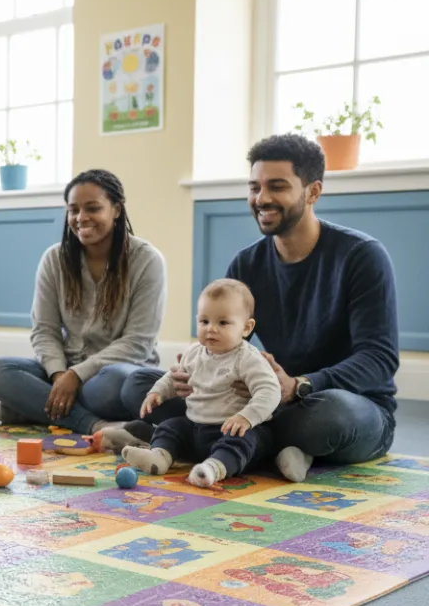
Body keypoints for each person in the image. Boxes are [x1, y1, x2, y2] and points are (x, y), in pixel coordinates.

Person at [123, 134, 399, 481]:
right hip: (267, 400)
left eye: (277, 186)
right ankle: (265, 447)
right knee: (140, 385)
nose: (261, 198)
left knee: (331, 417)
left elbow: (379, 359)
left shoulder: (362, 256)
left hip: (345, 405)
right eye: (254, 187)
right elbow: (230, 345)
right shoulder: (246, 264)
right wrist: (194, 376)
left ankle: (186, 439)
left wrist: (300, 385)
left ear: (313, 192)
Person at [0, 169, 166, 435]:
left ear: (116, 210)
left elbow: (138, 343)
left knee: (115, 385)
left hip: (115, 373)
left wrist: (76, 376)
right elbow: (45, 330)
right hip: (63, 369)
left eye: (93, 208)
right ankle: (94, 424)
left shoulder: (147, 260)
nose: (81, 218)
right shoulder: (54, 259)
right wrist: (59, 375)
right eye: (73, 210)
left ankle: (33, 407)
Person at [122, 279, 281, 487]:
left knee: (242, 441)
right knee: (171, 426)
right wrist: (157, 393)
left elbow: (270, 391)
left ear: (246, 328)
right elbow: (173, 377)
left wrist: (246, 417)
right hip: (196, 428)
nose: (211, 329)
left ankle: (213, 469)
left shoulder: (247, 358)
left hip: (231, 429)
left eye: (223, 323)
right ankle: (159, 457)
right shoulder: (194, 352)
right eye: (204, 322)